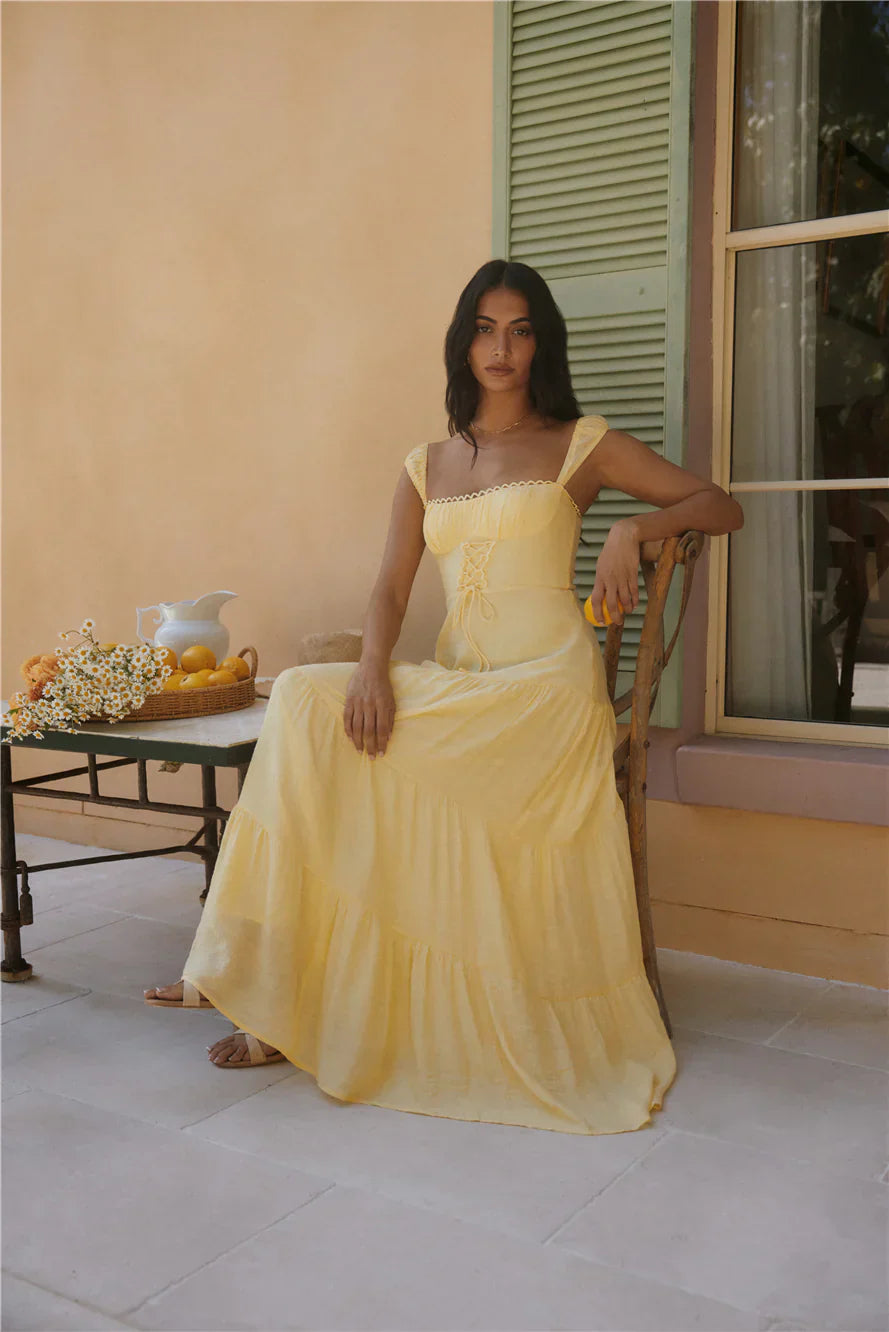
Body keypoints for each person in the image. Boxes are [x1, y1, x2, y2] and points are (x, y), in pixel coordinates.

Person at [144, 259, 743, 1135]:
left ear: (541, 344)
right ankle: (253, 979)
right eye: (485, 329)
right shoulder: (424, 465)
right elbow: (389, 590)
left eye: (520, 330)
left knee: (344, 739)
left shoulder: (581, 443)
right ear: (463, 343)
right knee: (306, 699)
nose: (502, 348)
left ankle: (257, 990)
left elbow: (718, 505)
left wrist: (634, 526)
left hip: (544, 692)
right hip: (463, 683)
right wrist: (371, 668)